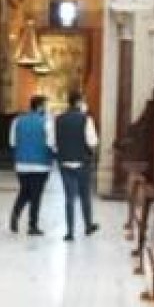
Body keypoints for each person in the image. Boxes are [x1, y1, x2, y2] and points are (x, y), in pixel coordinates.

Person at [53, 90, 99, 241]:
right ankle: (88, 226)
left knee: (69, 198)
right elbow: (92, 142)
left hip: (65, 162)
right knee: (85, 196)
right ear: (79, 102)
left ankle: (70, 232)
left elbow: (54, 143)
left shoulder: (58, 119)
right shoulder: (86, 119)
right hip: (82, 162)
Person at [8, 94, 53, 235]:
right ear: (40, 106)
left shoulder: (17, 121)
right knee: (36, 195)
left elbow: (12, 142)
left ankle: (15, 215)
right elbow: (51, 143)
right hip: (41, 164)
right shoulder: (47, 122)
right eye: (45, 105)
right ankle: (32, 225)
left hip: (21, 164)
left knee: (25, 191)